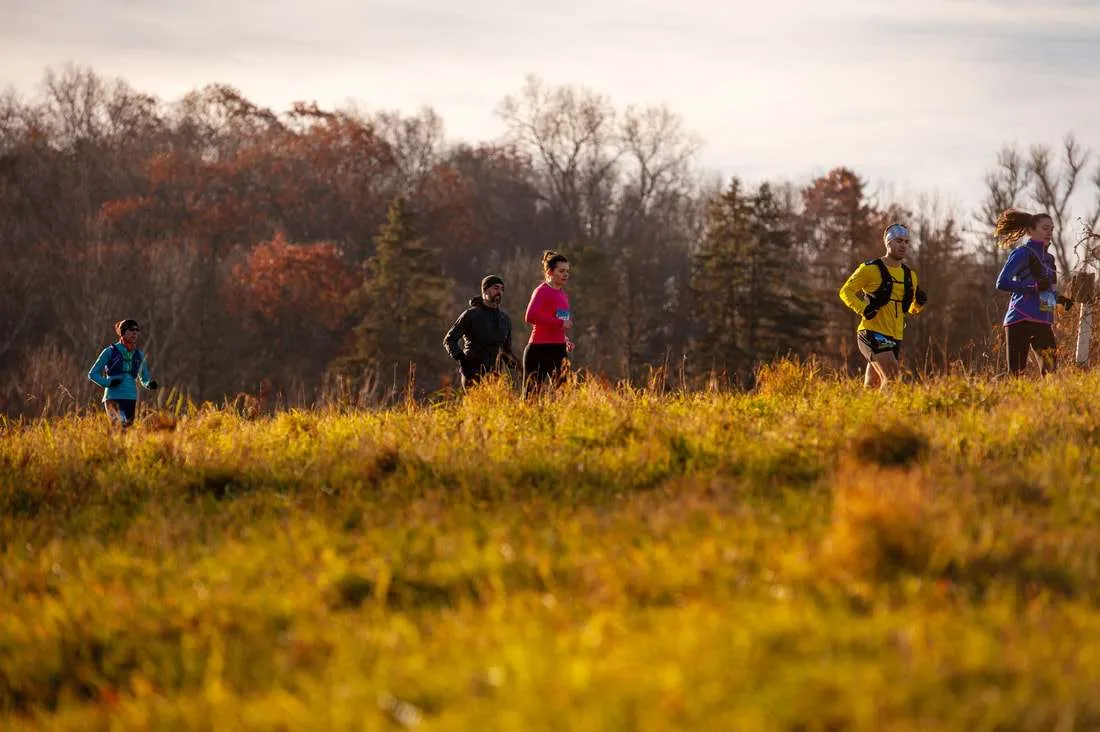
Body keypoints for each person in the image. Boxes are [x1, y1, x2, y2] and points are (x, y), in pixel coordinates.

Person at [839, 224, 927, 389]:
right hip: (871, 332)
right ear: (888, 242)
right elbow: (845, 291)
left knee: (871, 386)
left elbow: (908, 310)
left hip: (895, 337)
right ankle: (887, 415)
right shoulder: (870, 269)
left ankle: (863, 413)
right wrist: (863, 309)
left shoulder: (910, 276)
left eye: (907, 242)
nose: (903, 245)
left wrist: (919, 304)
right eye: (899, 241)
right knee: (892, 376)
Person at [994, 209, 1072, 376]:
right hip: (1019, 318)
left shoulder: (1050, 259)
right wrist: (1032, 288)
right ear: (1030, 230)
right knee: (1015, 374)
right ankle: (989, 392)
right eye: (1045, 228)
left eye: (1051, 229)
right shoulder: (1022, 253)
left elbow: (1047, 290)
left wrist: (1060, 299)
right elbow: (1001, 283)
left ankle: (1049, 402)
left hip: (1043, 320)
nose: (1049, 232)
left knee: (1050, 372)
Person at [443, 274, 518, 388]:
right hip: (472, 373)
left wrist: (522, 368)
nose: (500, 292)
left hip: (496, 375)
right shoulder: (471, 315)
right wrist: (463, 360)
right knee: (475, 406)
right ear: (485, 290)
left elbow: (506, 351)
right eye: (495, 288)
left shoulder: (504, 319)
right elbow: (449, 340)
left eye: (502, 289)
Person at [87, 319, 158, 428]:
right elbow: (92, 374)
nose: (135, 332)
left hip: (131, 398)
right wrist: (108, 383)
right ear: (123, 332)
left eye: (137, 330)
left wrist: (149, 384)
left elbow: (144, 378)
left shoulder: (139, 355)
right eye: (131, 329)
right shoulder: (109, 351)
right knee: (118, 427)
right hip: (113, 397)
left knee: (127, 431)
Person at [523, 250, 574, 397]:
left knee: (565, 396)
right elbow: (530, 316)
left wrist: (565, 339)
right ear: (550, 272)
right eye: (561, 271)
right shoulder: (541, 291)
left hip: (559, 350)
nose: (565, 274)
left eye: (567, 271)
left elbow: (559, 323)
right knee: (531, 398)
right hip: (539, 349)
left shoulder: (563, 295)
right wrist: (559, 324)